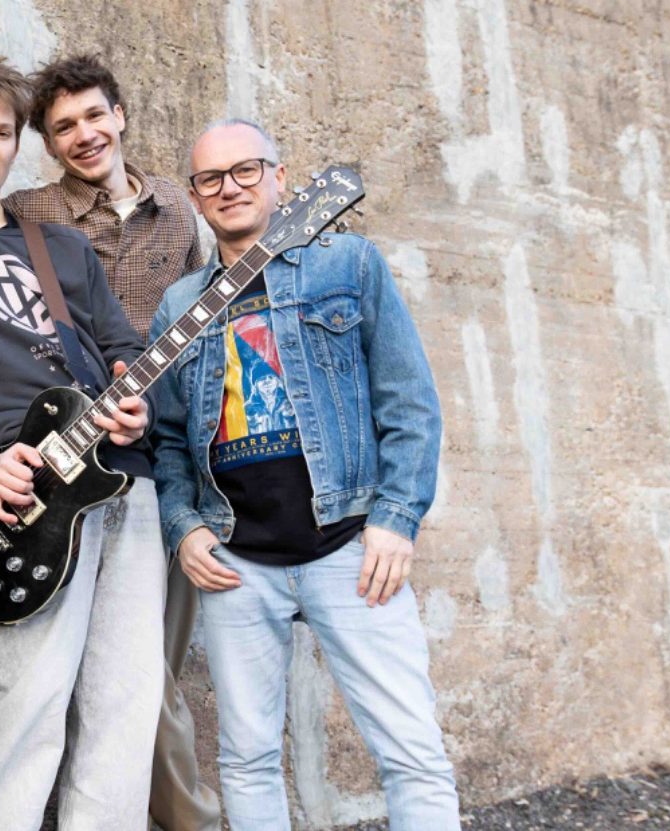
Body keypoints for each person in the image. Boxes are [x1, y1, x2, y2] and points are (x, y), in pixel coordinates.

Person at [0, 53, 220, 829]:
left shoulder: (58, 247)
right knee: (25, 701)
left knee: (125, 705)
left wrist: (135, 402)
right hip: (21, 496)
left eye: (1, 132)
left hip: (123, 482)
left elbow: (121, 347)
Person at [147, 118, 460, 829]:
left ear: (279, 177)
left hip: (350, 548)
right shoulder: (179, 306)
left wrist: (396, 519)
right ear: (194, 197)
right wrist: (184, 527)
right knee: (247, 759)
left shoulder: (347, 264)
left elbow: (409, 400)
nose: (229, 188)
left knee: (411, 750)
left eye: (246, 170)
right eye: (210, 178)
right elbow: (166, 440)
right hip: (235, 560)